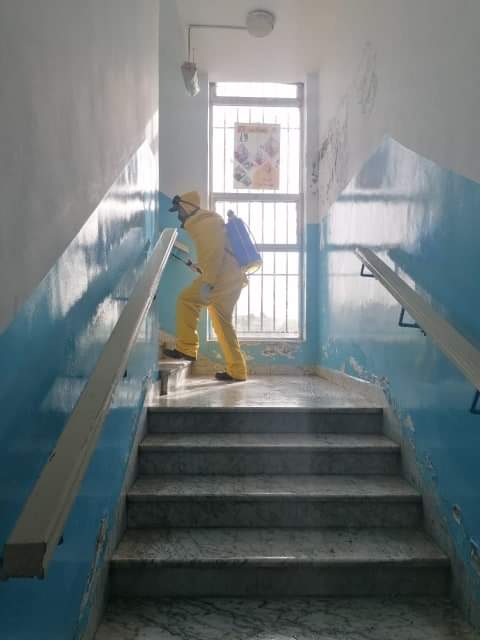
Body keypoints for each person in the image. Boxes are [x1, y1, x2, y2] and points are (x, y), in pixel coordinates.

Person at [164, 191, 248, 382]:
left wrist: (208, 282)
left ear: (187, 207)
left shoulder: (205, 223)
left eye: (179, 210)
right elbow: (216, 254)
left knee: (186, 300)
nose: (178, 215)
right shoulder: (207, 222)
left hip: (222, 281)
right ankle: (237, 370)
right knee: (222, 325)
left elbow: (213, 255)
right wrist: (200, 268)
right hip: (230, 279)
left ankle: (186, 348)